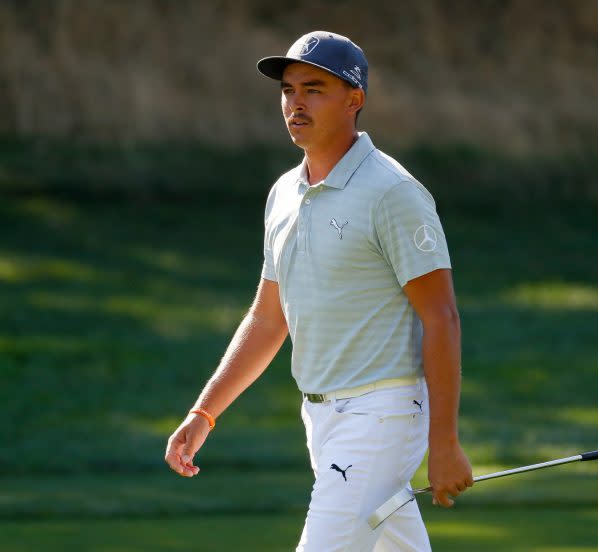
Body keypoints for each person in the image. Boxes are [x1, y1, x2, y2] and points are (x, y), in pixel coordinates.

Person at [164, 30, 473, 551]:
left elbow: (441, 316)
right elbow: (267, 319)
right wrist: (204, 412)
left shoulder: (393, 193)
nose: (295, 102)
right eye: (288, 90)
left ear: (354, 100)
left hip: (383, 413)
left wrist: (444, 444)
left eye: (313, 88)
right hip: (321, 417)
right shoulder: (284, 193)